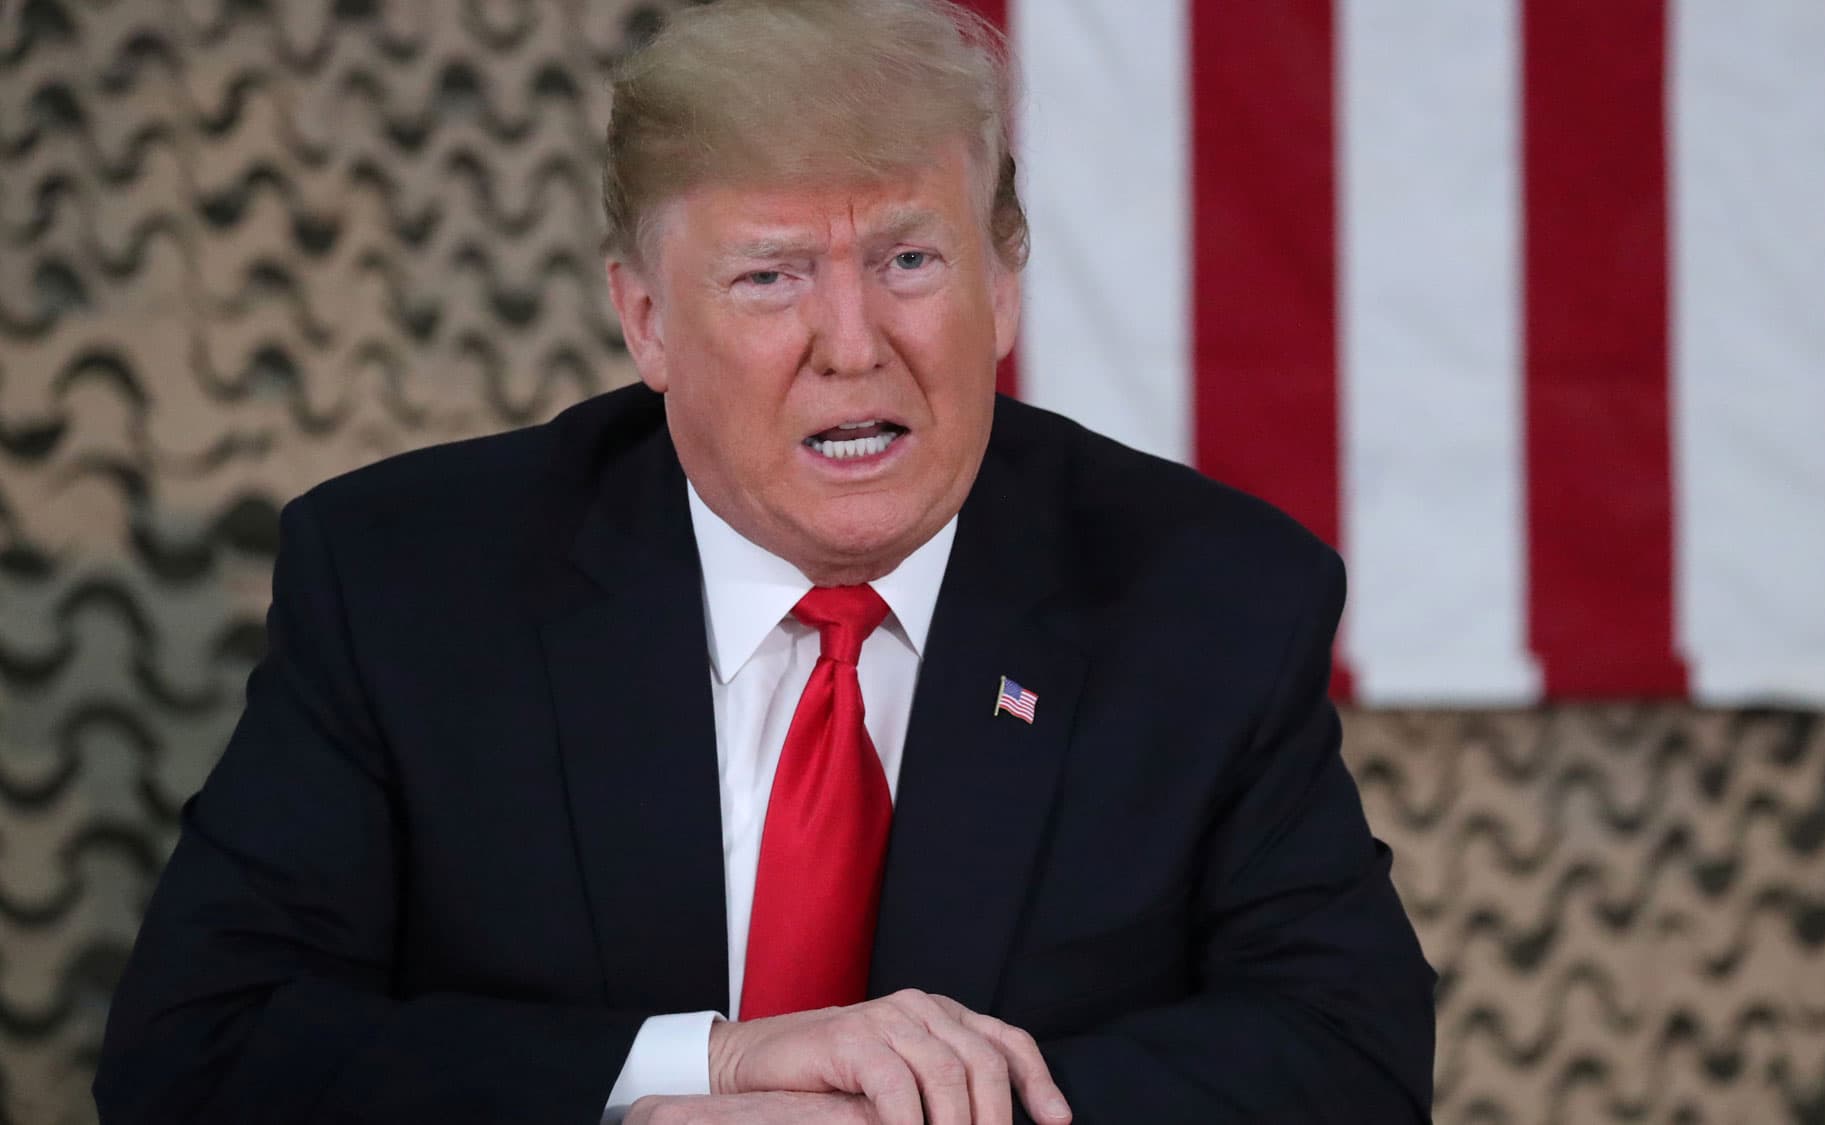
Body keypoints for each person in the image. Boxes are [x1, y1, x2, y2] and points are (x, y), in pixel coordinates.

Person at [93, 1, 1436, 1121]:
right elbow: (198, 1055)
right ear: (645, 320)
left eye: (910, 259)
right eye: (771, 277)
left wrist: (903, 1116)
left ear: (1004, 287)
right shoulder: (409, 585)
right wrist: (707, 1069)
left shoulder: (1209, 598)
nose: (853, 345)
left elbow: (1350, 1058)